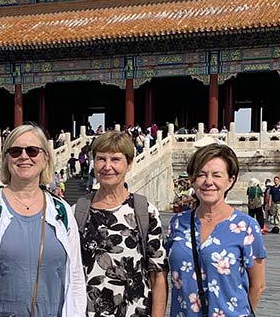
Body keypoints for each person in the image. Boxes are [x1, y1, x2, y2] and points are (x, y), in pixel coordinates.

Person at [0, 124, 85, 317]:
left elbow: (76, 275)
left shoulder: (61, 210)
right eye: (15, 151)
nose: (24, 157)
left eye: (32, 151)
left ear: (45, 158)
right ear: (6, 159)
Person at [73, 130, 168, 317]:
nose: (107, 166)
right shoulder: (77, 211)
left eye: (116, 159)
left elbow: (158, 274)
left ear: (129, 164)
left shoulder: (144, 211)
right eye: (101, 159)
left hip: (134, 311)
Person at [166, 143, 267, 316]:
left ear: (230, 180)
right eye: (201, 175)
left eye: (217, 175)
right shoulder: (177, 224)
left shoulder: (247, 227)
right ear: (192, 179)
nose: (208, 182)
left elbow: (258, 285)